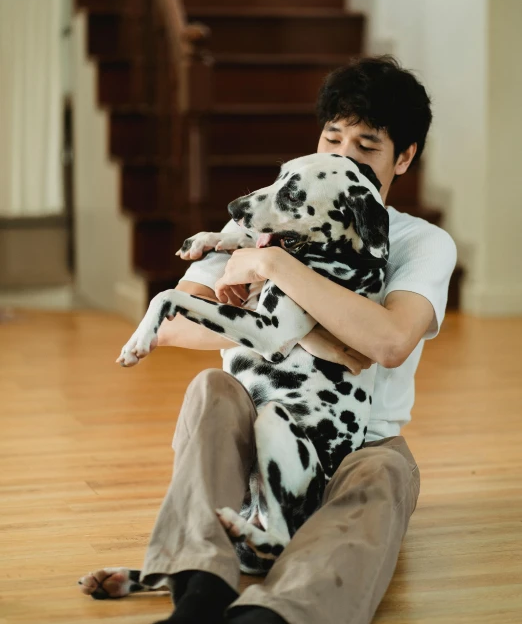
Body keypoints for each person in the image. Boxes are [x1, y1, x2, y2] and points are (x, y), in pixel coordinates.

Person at [87, 55, 457, 624]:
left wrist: (274, 268)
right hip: (255, 419)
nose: (342, 157)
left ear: (404, 158)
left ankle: (277, 615)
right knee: (212, 389)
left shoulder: (420, 242)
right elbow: (177, 322)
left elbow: (386, 344)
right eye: (333, 138)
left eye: (366, 146)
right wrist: (326, 338)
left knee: (385, 475)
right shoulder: (275, 208)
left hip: (364, 443)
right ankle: (199, 586)